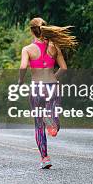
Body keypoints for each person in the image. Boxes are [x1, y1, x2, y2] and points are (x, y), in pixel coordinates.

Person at [19, 17, 77, 169]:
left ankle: (45, 158)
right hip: (52, 87)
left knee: (38, 125)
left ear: (32, 30)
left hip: (36, 87)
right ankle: (52, 121)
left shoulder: (27, 49)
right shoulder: (54, 47)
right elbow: (64, 68)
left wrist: (20, 81)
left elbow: (23, 67)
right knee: (53, 116)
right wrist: (53, 78)